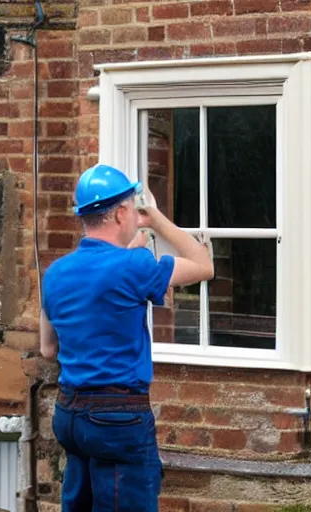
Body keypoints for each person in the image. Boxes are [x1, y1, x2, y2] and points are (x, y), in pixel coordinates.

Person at [39, 164, 214, 512]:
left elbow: (48, 349)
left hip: (70, 415)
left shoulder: (55, 272)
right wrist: (157, 219)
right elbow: (203, 264)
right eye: (133, 208)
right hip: (117, 419)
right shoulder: (136, 266)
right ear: (121, 213)